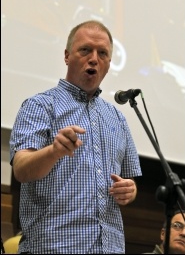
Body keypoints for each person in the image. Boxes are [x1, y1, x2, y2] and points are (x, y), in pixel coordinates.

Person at [9, 20, 142, 254]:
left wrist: (130, 191)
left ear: (109, 64)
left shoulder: (117, 118)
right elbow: (21, 169)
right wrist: (54, 151)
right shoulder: (40, 106)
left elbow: (129, 184)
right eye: (85, 50)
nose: (94, 58)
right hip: (53, 247)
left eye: (102, 53)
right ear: (67, 56)